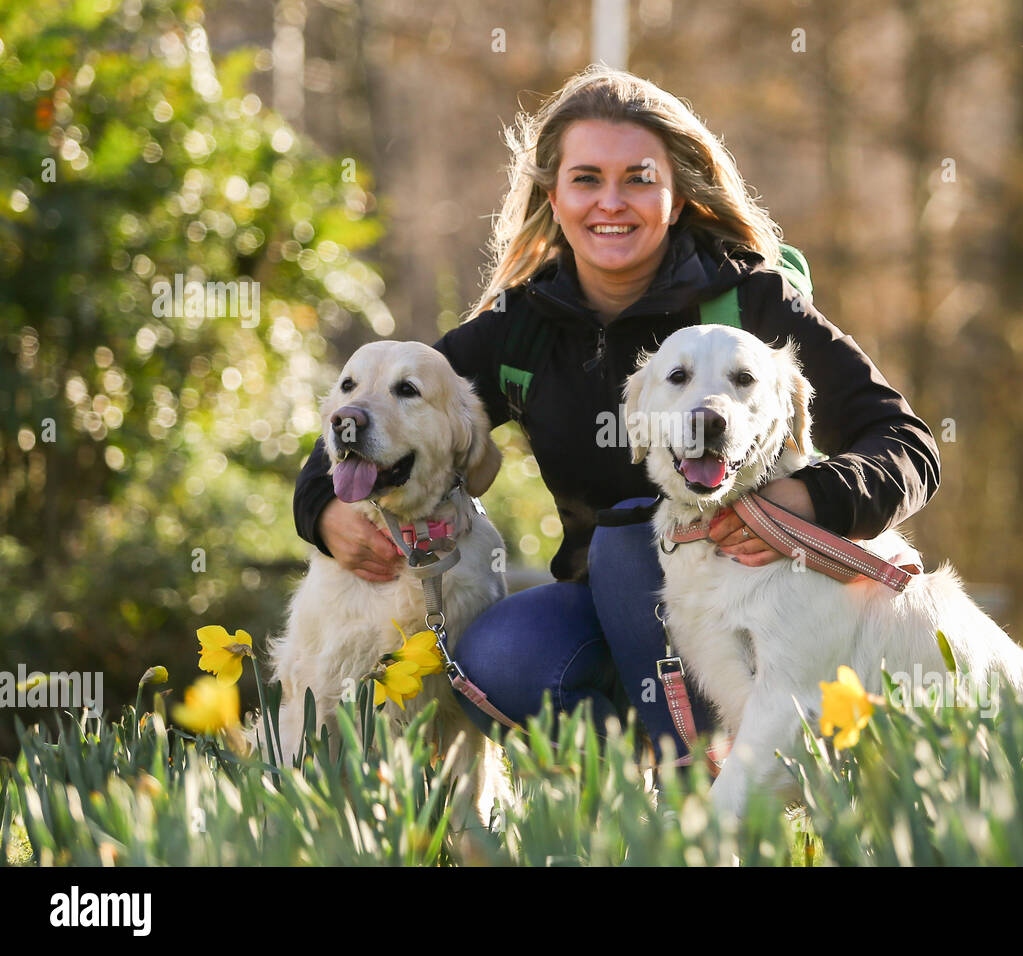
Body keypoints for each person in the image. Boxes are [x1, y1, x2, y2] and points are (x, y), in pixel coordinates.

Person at [291, 65, 941, 763]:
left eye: (638, 177)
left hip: (761, 604)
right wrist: (323, 511)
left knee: (633, 537)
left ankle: (701, 796)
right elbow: (381, 406)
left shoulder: (750, 302)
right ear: (553, 194)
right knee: (501, 652)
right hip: (608, 614)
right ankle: (640, 794)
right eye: (587, 179)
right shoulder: (521, 324)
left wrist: (807, 497)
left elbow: (906, 446)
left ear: (677, 191)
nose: (612, 202)